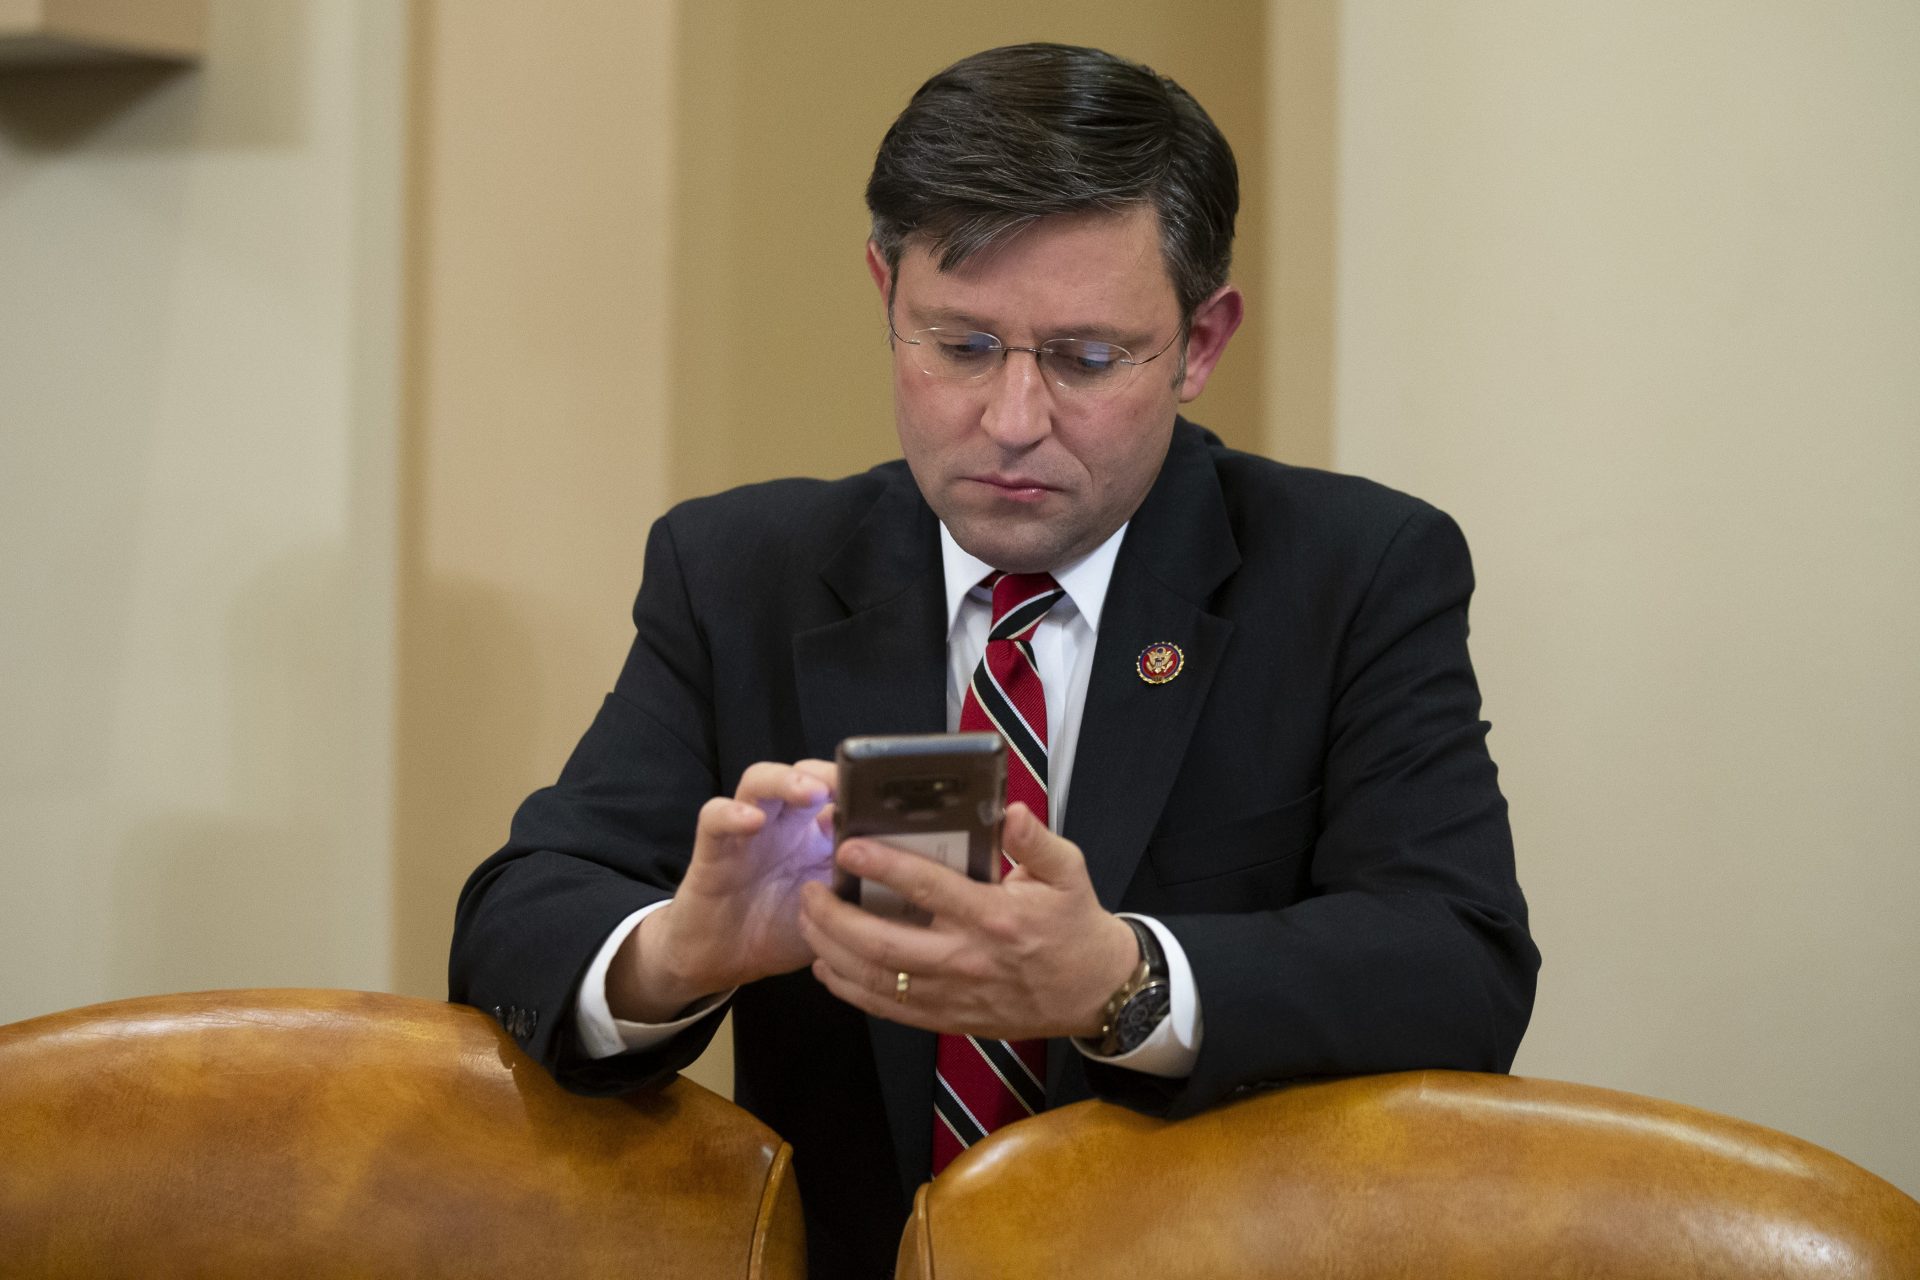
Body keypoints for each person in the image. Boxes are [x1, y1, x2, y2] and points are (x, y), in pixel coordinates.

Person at [450, 42, 1538, 1278]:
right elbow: (514, 921)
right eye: (959, 345)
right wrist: (679, 950)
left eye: (1085, 359)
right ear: (884, 296)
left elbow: (1460, 961)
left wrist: (1125, 979)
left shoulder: (1356, 570)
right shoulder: (741, 569)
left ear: (1199, 341)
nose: (1013, 420)